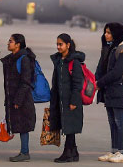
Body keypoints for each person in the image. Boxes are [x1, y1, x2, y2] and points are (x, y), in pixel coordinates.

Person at [95, 22, 123, 163]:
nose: (106, 35)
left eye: (109, 32)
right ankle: (114, 150)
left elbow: (117, 72)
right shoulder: (109, 48)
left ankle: (121, 152)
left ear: (116, 34)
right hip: (108, 90)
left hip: (117, 89)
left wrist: (100, 83)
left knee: (119, 121)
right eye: (105, 32)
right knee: (112, 122)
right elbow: (101, 68)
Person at [49, 33, 85, 163]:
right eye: (57, 44)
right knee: (68, 126)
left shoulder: (73, 62)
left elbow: (77, 84)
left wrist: (74, 101)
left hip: (71, 101)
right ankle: (74, 152)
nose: (58, 47)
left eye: (61, 44)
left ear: (68, 45)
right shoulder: (59, 61)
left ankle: (67, 153)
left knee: (69, 126)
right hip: (61, 100)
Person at [1, 34, 36, 162]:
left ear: (18, 44)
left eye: (11, 41)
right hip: (14, 98)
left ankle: (25, 152)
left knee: (23, 126)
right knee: (19, 125)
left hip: (22, 99)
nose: (8, 43)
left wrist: (18, 100)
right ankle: (24, 151)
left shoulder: (24, 59)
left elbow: (25, 81)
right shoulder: (11, 59)